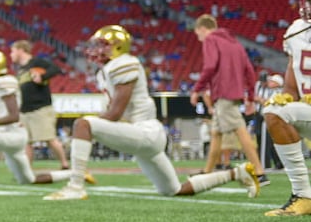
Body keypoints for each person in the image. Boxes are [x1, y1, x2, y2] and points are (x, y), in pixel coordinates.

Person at [44, 25, 255, 201]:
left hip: (145, 131)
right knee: (174, 190)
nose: (97, 50)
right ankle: (237, 172)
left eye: (103, 45)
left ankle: (75, 185)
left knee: (83, 124)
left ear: (118, 47)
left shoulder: (124, 63)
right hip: (144, 137)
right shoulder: (107, 70)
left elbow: (115, 113)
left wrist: (91, 129)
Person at [0, 49, 90, 189]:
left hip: (12, 135)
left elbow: (14, 115)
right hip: (7, 135)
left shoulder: (4, 81)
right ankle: (77, 173)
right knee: (29, 180)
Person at [189, 14, 266, 184]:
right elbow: (249, 71)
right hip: (234, 94)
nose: (199, 38)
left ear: (203, 28)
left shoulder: (211, 40)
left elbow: (210, 66)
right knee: (216, 133)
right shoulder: (235, 43)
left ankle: (260, 172)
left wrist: (197, 89)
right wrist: (251, 98)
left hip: (223, 94)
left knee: (240, 130)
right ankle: (207, 172)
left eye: (198, 34)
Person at [259, 0, 311, 215]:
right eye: (309, 0)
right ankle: (303, 195)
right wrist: (286, 97)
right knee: (274, 111)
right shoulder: (295, 31)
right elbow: (290, 85)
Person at [9, 39, 68, 168]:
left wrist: (43, 76)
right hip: (25, 110)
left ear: (21, 50)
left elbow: (56, 68)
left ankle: (64, 164)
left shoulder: (36, 62)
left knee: (49, 139)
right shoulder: (20, 70)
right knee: (26, 142)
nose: (11, 54)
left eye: (12, 51)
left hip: (40, 108)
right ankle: (27, 170)